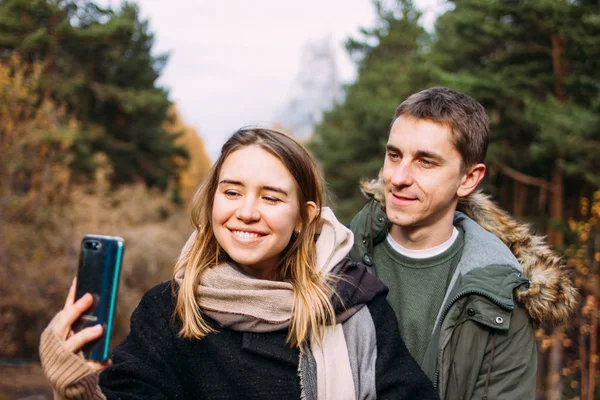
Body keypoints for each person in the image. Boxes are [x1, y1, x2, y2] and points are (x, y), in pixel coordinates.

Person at [39, 128, 438, 399]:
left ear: (304, 217)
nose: (246, 212)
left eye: (271, 197)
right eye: (232, 192)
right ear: (213, 201)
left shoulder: (352, 308)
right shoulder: (170, 311)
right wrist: (79, 386)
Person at [349, 87, 577, 399]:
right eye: (394, 155)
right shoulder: (336, 259)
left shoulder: (500, 299)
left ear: (468, 179)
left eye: (425, 162)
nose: (399, 177)